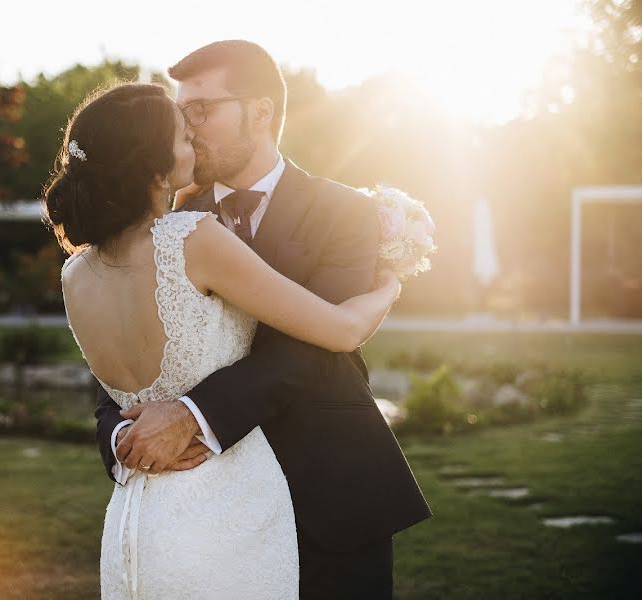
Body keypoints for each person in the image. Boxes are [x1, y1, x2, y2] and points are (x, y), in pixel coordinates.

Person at [94, 40, 433, 599]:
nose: (188, 127)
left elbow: (309, 350)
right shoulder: (164, 225)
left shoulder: (344, 212)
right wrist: (122, 436)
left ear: (261, 111)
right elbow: (120, 360)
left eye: (202, 110)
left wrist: (192, 415)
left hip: (327, 501)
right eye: (182, 116)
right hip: (204, 517)